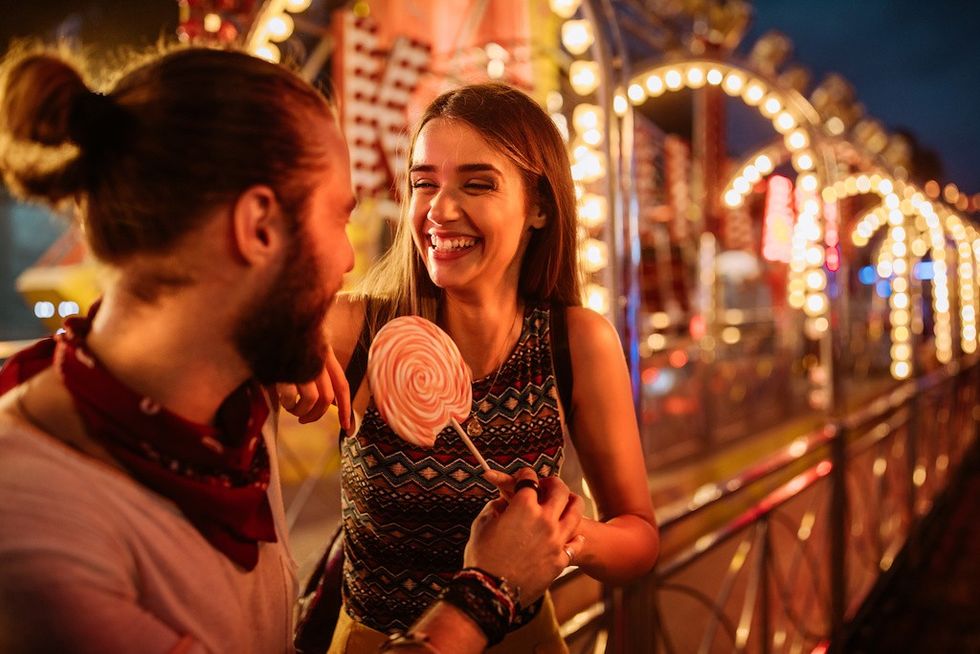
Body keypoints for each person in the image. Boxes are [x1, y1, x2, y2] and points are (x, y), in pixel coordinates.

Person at [0, 45, 580, 654]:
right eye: (336, 218)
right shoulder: (37, 517)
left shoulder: (231, 416)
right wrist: (487, 589)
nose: (350, 260)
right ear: (257, 228)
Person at [285, 82, 661, 653]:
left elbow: (638, 538)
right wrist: (287, 341)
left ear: (538, 206)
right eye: (423, 183)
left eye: (477, 184)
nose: (438, 209)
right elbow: (223, 331)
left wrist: (562, 535)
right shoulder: (357, 331)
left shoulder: (576, 342)